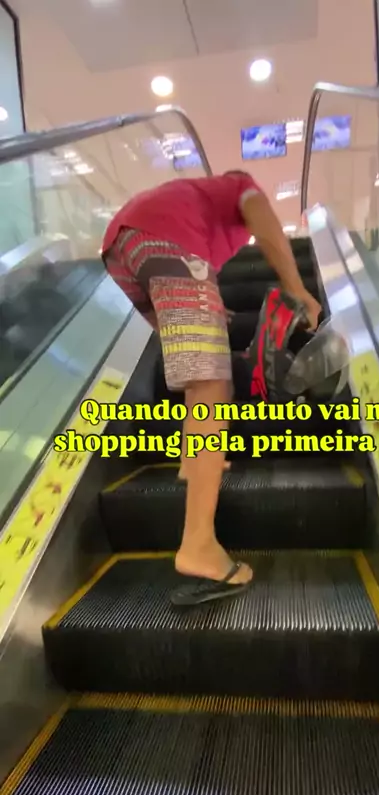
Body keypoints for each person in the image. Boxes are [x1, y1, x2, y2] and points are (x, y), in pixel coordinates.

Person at [102, 171, 321, 605]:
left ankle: (195, 460)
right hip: (165, 237)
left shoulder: (198, 211)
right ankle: (198, 543)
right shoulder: (239, 185)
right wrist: (297, 290)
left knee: (200, 369)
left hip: (121, 250)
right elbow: (263, 217)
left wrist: (216, 318)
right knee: (211, 383)